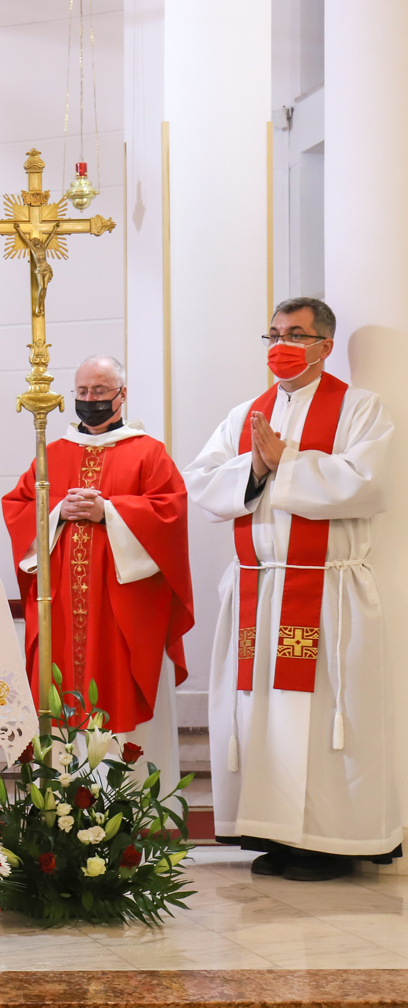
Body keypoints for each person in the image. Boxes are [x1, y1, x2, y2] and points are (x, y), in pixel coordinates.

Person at [185, 298, 399, 882]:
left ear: (325, 346)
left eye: (297, 335)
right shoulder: (244, 415)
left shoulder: (359, 407)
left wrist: (287, 460)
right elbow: (203, 482)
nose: (282, 345)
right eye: (275, 333)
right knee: (260, 715)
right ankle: (275, 834)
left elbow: (367, 483)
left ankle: (328, 843)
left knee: (324, 716)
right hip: (258, 589)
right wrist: (255, 468)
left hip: (327, 590)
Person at [2, 356, 194, 789]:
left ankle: (126, 805)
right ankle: (59, 805)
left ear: (122, 395)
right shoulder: (51, 453)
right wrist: (56, 511)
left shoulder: (148, 452)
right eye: (83, 392)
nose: (90, 400)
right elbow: (19, 507)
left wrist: (109, 510)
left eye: (101, 391)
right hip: (63, 606)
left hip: (120, 610)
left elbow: (170, 514)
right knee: (60, 697)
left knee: (118, 693)